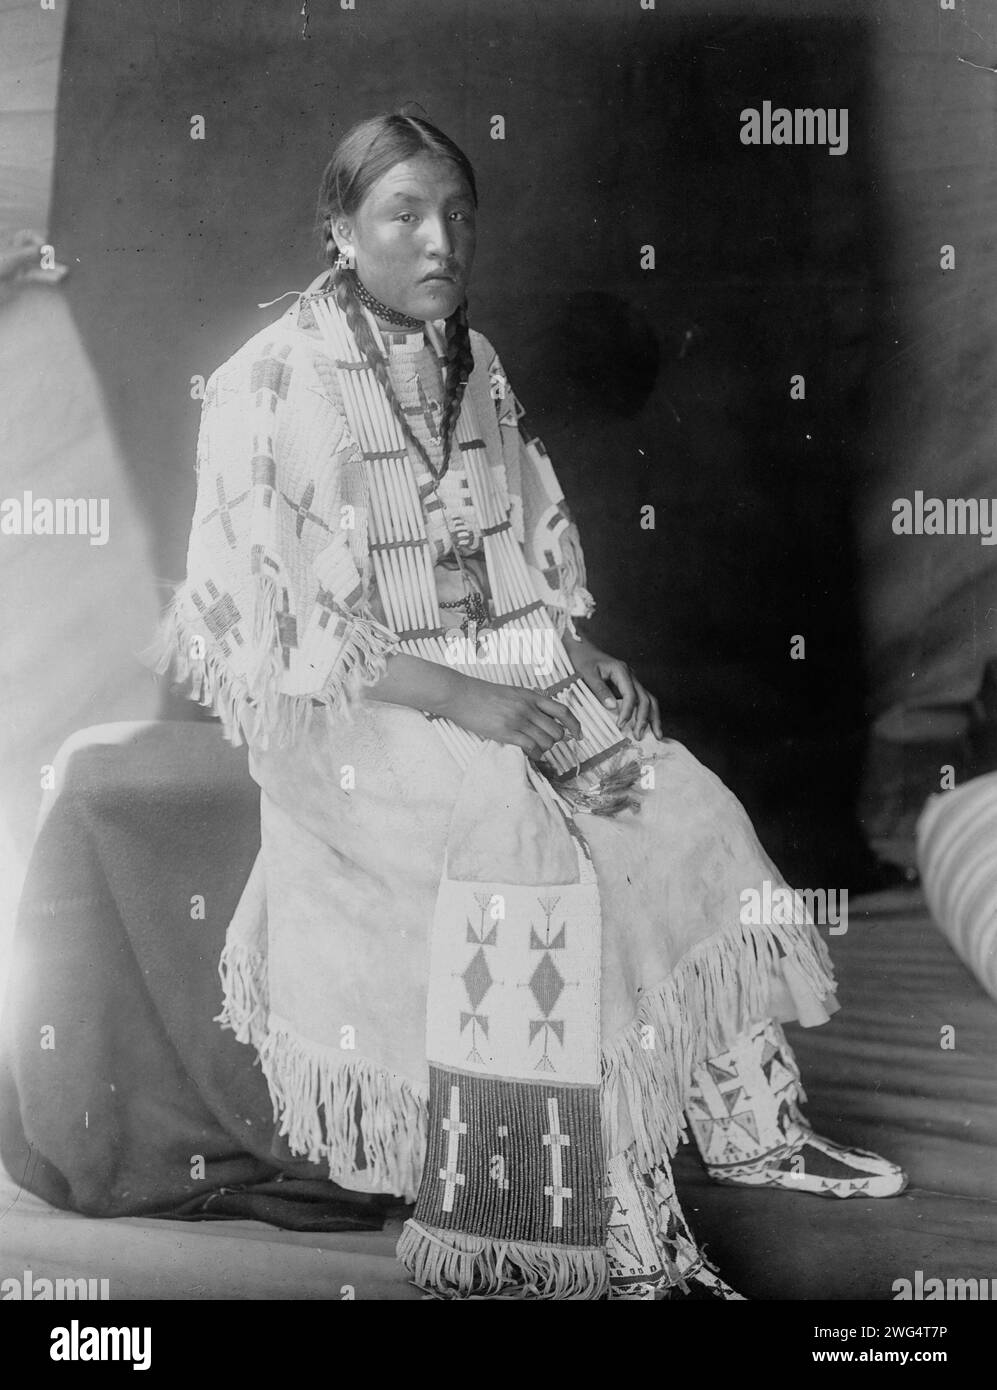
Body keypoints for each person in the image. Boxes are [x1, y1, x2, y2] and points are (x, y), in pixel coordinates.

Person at [151, 112, 907, 1300]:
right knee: (519, 846)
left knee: (681, 803)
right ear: (340, 230)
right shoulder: (270, 381)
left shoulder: (473, 358)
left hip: (491, 665)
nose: (439, 239)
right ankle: (573, 1214)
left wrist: (576, 647)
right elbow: (287, 632)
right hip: (348, 715)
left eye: (457, 213)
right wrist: (463, 700)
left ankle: (749, 1122)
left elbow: (509, 547)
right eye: (404, 213)